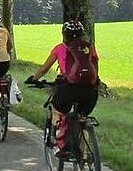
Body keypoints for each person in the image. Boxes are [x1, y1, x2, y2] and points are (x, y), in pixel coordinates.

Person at [26, 20, 100, 156]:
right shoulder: (90, 47)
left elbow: (44, 69)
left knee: (57, 111)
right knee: (83, 117)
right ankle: (84, 157)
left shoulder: (60, 48)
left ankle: (58, 144)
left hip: (69, 89)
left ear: (64, 34)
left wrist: (34, 79)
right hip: (90, 90)